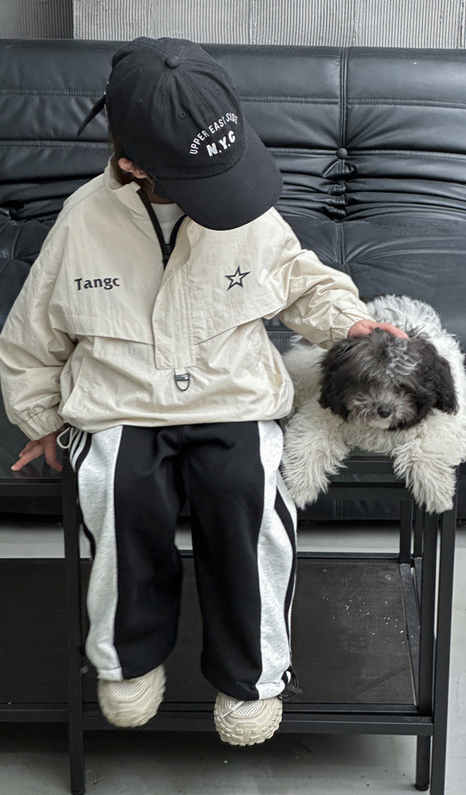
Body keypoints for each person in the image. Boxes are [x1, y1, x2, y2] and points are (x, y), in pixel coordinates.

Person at [0, 36, 407, 745]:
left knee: (249, 497)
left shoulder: (249, 212)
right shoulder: (82, 221)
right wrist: (40, 419)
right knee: (117, 493)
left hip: (233, 396)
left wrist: (347, 322)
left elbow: (302, 281)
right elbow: (32, 337)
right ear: (133, 165)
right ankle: (127, 661)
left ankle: (252, 676)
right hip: (122, 402)